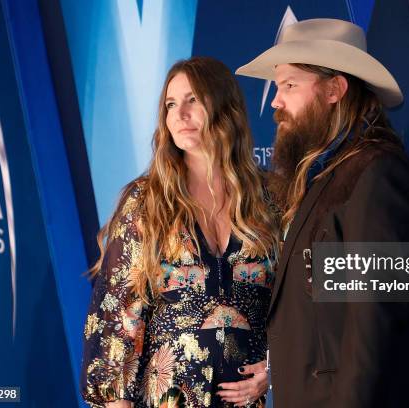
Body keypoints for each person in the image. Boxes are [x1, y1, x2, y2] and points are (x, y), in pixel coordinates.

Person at [236, 19, 409, 407]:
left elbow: (374, 327)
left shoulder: (378, 174)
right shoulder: (328, 178)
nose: (274, 102)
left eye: (289, 85)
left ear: (335, 89)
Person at [81, 57, 279, 408]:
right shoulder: (146, 201)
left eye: (192, 100)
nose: (179, 115)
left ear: (223, 106)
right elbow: (117, 319)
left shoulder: (268, 200)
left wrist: (275, 366)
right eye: (171, 104)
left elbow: (297, 303)